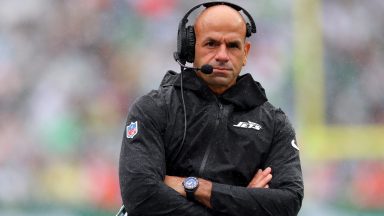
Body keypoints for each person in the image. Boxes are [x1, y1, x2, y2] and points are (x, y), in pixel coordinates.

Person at [119, 2, 304, 215]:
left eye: (233, 46)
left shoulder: (273, 124)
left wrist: (196, 187)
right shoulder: (153, 109)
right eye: (211, 44)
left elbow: (288, 202)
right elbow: (141, 195)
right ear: (190, 48)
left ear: (245, 52)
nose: (222, 55)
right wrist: (242, 203)